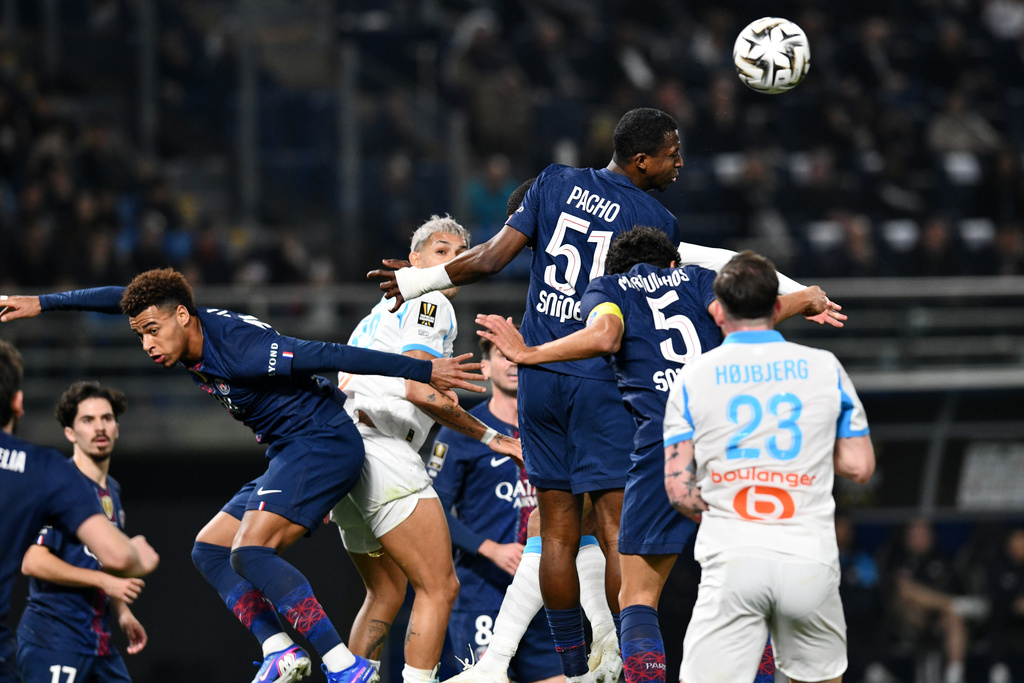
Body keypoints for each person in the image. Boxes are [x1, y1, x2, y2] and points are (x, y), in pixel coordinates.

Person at [0, 270, 482, 683]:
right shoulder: (182, 322)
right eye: (138, 334)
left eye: (151, 330)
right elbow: (122, 297)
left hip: (323, 443)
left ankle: (342, 664)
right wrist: (42, 304)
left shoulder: (245, 349)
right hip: (289, 450)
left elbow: (330, 354)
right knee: (209, 548)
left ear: (182, 317)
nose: (146, 344)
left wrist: (419, 371)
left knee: (251, 551)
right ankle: (280, 650)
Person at [372, 107, 692, 683]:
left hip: (538, 381)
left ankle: (572, 667)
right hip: (596, 376)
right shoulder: (659, 219)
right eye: (672, 153)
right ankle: (619, 660)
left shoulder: (553, 181)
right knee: (618, 530)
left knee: (557, 534)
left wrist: (417, 279)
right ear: (642, 159)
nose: (679, 163)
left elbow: (492, 258)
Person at [477, 229, 831, 683]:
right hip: (725, 447)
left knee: (638, 595)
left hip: (660, 446)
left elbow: (604, 336)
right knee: (741, 580)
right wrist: (807, 298)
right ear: (671, 264)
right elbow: (750, 319)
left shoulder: (607, 289)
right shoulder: (698, 280)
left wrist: (530, 353)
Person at [661, 251, 875, 683]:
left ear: (717, 310)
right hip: (809, 558)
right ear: (779, 307)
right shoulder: (825, 367)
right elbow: (860, 466)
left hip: (734, 557)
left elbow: (679, 491)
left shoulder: (693, 376)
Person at [328, 216, 520, 683]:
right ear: (415, 262)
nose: (452, 261)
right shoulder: (430, 298)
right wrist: (492, 436)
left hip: (344, 453)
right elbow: (417, 385)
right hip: (384, 452)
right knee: (440, 587)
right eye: (441, 252)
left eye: (460, 255)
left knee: (386, 594)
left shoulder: (376, 314)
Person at [431, 334, 606, 683]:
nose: (511, 363)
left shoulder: (556, 430)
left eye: (517, 354)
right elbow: (433, 511)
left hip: (551, 588)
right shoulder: (463, 432)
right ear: (485, 367)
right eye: (501, 355)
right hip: (483, 591)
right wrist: (490, 549)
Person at [0, 339, 158, 683]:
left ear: (117, 428)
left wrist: (122, 611)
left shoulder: (111, 490)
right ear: (70, 432)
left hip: (97, 643)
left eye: (107, 418)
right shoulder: (58, 486)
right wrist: (106, 580)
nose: (99, 427)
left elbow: (99, 560)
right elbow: (33, 561)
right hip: (53, 640)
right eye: (88, 420)